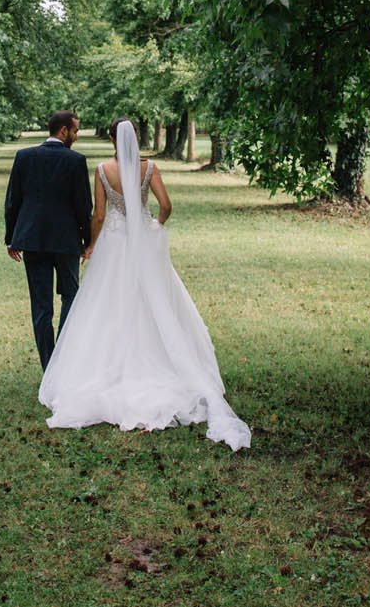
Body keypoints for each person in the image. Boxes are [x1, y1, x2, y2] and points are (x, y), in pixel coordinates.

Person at [38, 118, 251, 451]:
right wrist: (154, 227)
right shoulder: (149, 167)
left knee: (107, 306)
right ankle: (163, 363)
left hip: (113, 245)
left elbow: (98, 215)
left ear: (111, 139)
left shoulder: (102, 170)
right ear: (135, 138)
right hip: (143, 246)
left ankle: (108, 367)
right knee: (155, 304)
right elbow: (166, 206)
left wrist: (91, 245)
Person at [4, 111, 92, 370]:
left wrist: (12, 239)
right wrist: (87, 241)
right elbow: (83, 206)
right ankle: (61, 364)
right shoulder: (76, 161)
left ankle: (49, 366)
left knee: (41, 306)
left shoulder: (24, 157)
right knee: (71, 297)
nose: (76, 137)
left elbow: (13, 201)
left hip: (31, 240)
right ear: (63, 130)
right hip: (66, 241)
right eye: (75, 131)